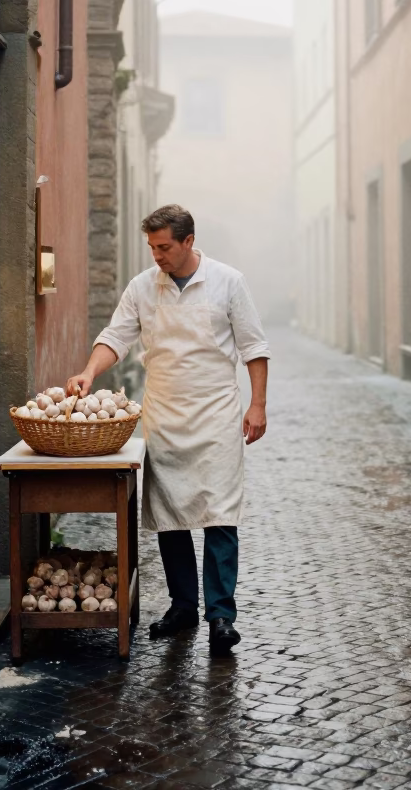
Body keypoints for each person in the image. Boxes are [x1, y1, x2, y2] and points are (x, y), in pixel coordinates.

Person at [66, 204, 269, 654]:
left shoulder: (228, 282)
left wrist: (257, 404)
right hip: (165, 414)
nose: (156, 255)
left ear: (188, 242)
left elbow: (254, 346)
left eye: (164, 247)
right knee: (170, 516)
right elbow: (115, 337)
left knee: (220, 515)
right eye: (152, 247)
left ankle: (221, 616)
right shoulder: (142, 287)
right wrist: (89, 372)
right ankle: (183, 606)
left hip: (217, 414)